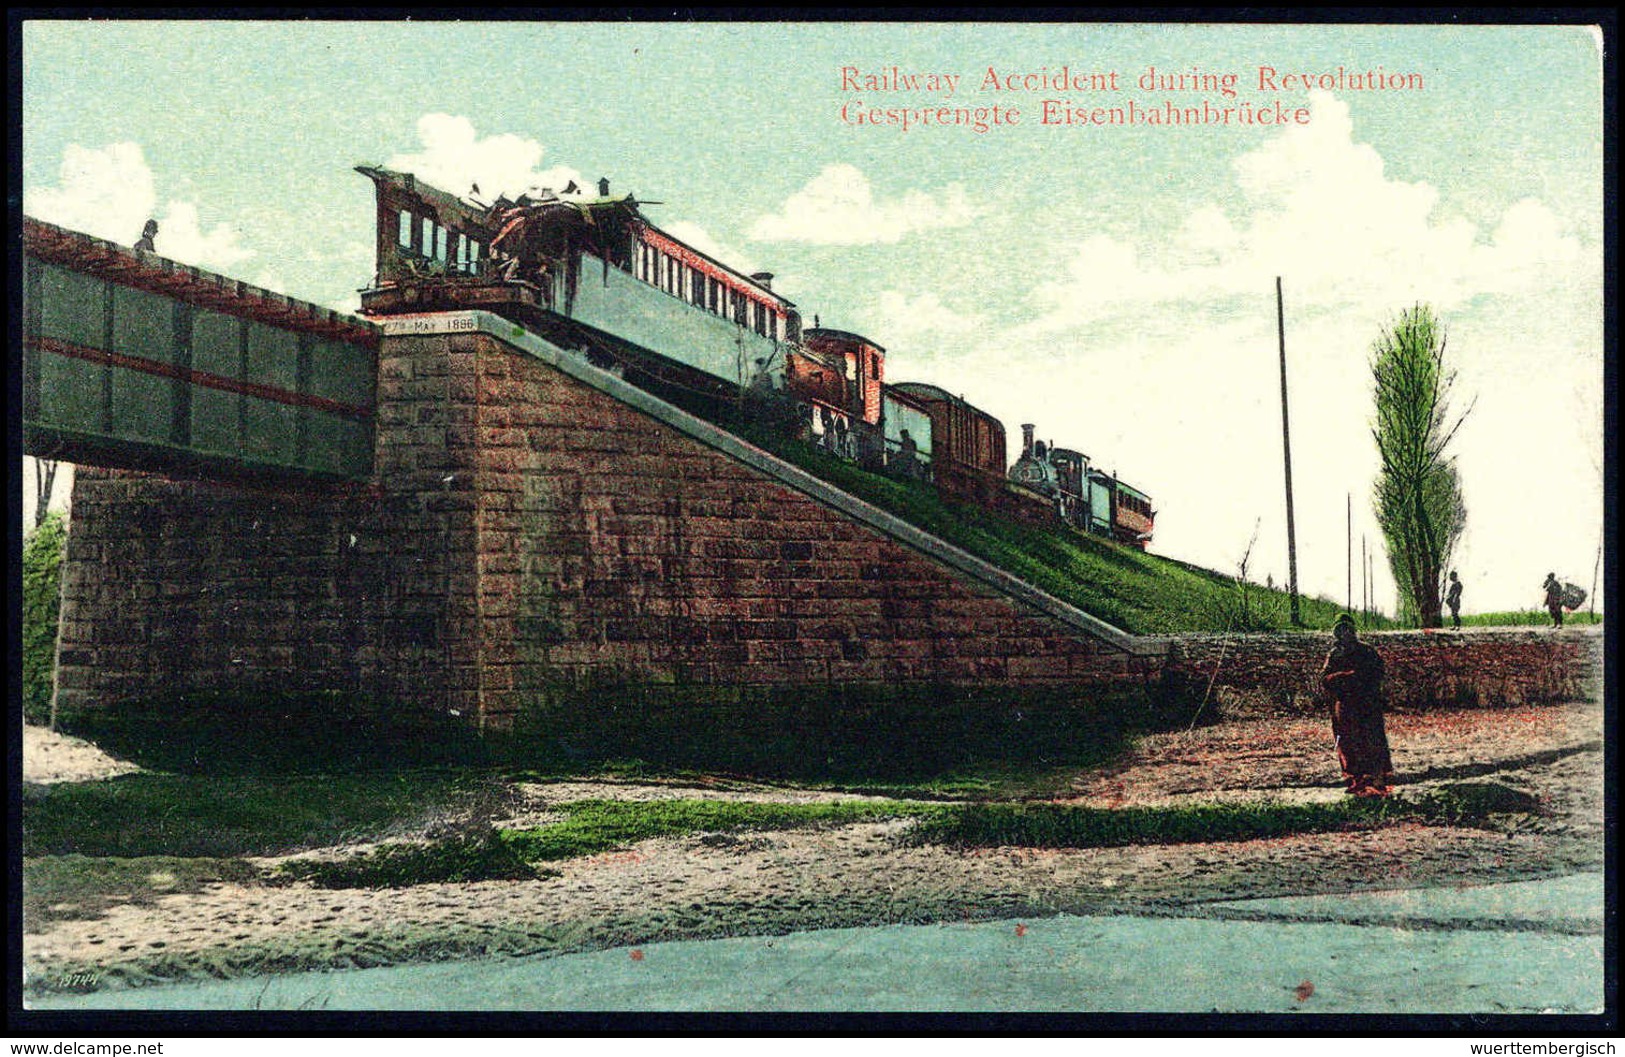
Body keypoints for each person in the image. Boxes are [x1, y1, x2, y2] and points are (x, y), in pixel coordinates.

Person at [1321, 613, 1394, 798]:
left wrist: (1360, 679)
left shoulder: (1367, 651)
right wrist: (1344, 677)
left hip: (1367, 704)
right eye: (1340, 630)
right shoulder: (1335, 654)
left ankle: (1377, 781)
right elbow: (1325, 679)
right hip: (1345, 706)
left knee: (1372, 741)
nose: (1344, 634)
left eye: (1347, 630)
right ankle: (1356, 781)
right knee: (1347, 743)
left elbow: (1378, 672)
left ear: (1353, 631)